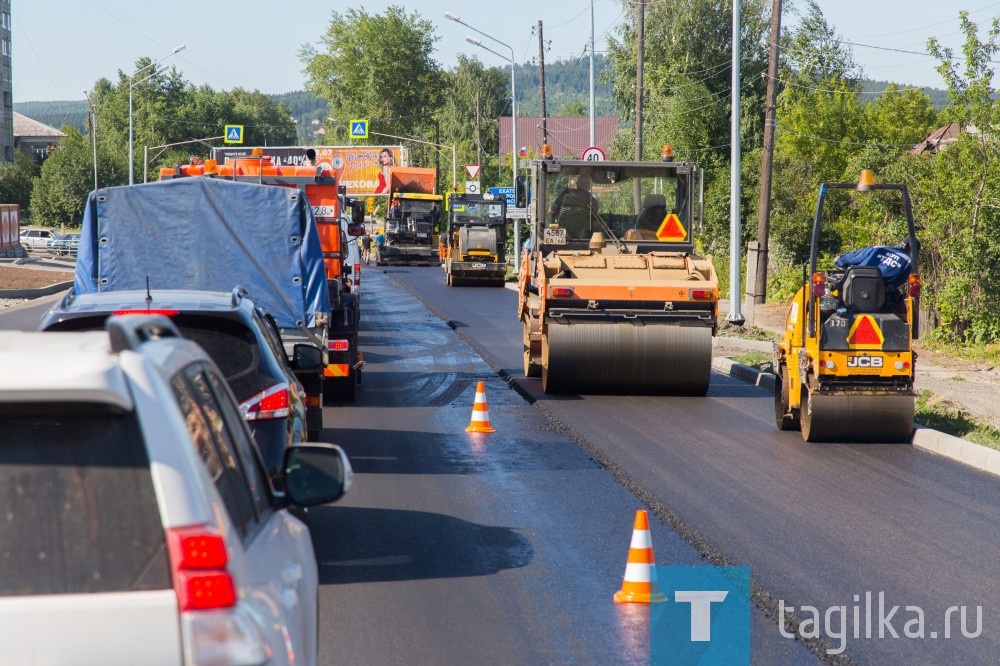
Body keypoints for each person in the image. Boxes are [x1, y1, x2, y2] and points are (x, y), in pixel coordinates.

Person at [834, 236, 914, 290]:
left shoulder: (878, 249)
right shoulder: (909, 262)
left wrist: (840, 260)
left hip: (854, 287)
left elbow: (853, 258)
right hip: (881, 298)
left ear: (902, 244)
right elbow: (899, 282)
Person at [548, 173, 599, 238]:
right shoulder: (592, 200)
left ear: (577, 183)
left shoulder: (566, 194)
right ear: (590, 186)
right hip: (584, 237)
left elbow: (552, 209)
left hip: (563, 233)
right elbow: (594, 219)